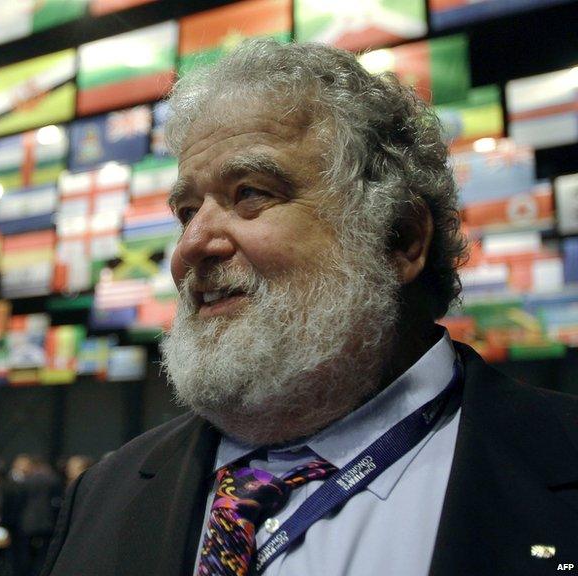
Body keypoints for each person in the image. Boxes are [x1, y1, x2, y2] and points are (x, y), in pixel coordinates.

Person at [40, 39, 578, 576]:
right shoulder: (102, 495)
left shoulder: (559, 460)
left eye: (250, 192)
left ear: (400, 238)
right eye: (186, 211)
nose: (190, 246)